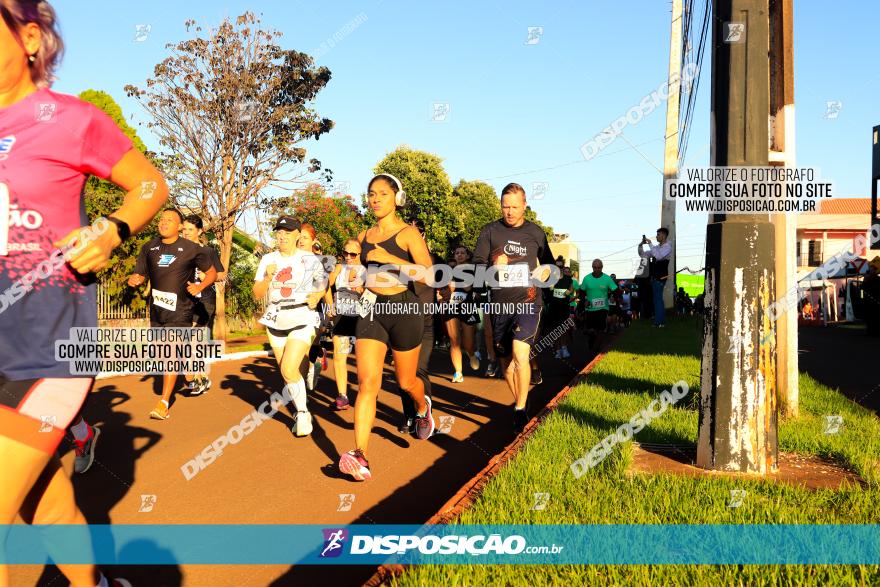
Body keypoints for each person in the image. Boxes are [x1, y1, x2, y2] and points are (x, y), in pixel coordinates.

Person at [0, 2, 167, 583]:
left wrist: (113, 228)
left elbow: (150, 183)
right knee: (42, 506)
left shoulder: (68, 119)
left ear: (27, 37)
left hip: (52, 339)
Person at [338, 174, 435, 481]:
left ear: (396, 198)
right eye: (371, 194)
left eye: (382, 193)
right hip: (372, 310)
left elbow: (430, 275)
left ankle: (423, 408)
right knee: (367, 383)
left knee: (406, 382)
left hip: (404, 309)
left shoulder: (407, 234)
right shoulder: (364, 235)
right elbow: (363, 272)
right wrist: (357, 280)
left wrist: (392, 260)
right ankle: (360, 454)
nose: (375, 199)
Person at [473, 183, 556, 433]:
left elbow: (551, 266)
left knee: (521, 353)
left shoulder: (536, 233)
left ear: (524, 206)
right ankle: (521, 397)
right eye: (505, 206)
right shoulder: (490, 231)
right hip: (500, 305)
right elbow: (477, 263)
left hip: (529, 302)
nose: (509, 211)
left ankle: (520, 409)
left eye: (514, 207)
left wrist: (543, 273)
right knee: (506, 362)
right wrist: (491, 269)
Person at [129, 209, 218, 420]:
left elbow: (213, 272)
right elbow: (140, 272)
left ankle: (164, 402)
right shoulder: (149, 247)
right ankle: (190, 373)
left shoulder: (192, 249)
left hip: (182, 309)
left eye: (170, 220)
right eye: (161, 219)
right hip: (158, 310)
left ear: (179, 226)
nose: (163, 222)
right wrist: (136, 279)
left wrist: (200, 286)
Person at [252, 216, 326, 437]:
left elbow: (322, 283)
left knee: (288, 368)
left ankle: (302, 415)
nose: (282, 236)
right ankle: (302, 406)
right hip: (276, 317)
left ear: (297, 235)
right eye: (279, 232)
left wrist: (318, 295)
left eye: (287, 232)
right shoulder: (268, 259)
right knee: (289, 373)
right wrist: (267, 277)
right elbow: (257, 293)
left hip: (302, 314)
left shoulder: (309, 258)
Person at [395, 218, 442, 435]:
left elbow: (445, 286)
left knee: (419, 369)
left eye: (418, 231)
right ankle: (409, 415)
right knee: (403, 374)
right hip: (401, 321)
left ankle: (425, 416)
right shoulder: (396, 260)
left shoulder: (435, 261)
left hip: (425, 323)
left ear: (423, 235)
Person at [181, 214, 226, 395]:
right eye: (184, 229)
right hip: (184, 301)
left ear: (199, 231)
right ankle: (202, 377)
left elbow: (222, 275)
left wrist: (207, 277)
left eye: (190, 230)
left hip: (204, 301)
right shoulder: (178, 251)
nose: (186, 233)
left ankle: (198, 380)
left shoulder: (207, 252)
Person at [324, 238, 364, 410]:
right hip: (341, 317)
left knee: (363, 360)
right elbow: (326, 284)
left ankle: (367, 393)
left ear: (360, 254)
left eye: (352, 254)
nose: (348, 257)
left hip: (361, 319)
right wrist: (329, 305)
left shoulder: (367, 271)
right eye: (345, 253)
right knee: (340, 356)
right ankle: (342, 396)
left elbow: (373, 295)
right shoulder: (339, 268)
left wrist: (360, 289)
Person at [443, 245, 480, 382]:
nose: (459, 255)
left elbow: (467, 287)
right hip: (451, 306)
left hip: (467, 306)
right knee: (454, 340)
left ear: (467, 256)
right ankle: (458, 372)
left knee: (468, 343)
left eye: (462, 253)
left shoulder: (473, 270)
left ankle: (471, 354)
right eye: (457, 253)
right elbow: (448, 290)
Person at [578, 259, 618, 355]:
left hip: (603, 308)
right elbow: (582, 291)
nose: (597, 269)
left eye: (599, 268)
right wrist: (585, 300)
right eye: (595, 268)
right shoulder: (587, 278)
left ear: (602, 267)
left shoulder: (607, 278)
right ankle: (592, 342)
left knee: (600, 328)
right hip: (590, 308)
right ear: (592, 267)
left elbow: (616, 290)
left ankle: (596, 349)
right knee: (591, 330)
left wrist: (613, 297)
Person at [638, 227, 672, 327]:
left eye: (658, 235)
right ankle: (660, 321)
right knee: (657, 299)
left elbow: (659, 256)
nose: (657, 236)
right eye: (657, 235)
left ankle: (659, 322)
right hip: (655, 276)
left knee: (658, 299)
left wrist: (650, 244)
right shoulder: (657, 247)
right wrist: (640, 245)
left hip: (661, 276)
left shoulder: (667, 246)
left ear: (664, 235)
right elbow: (643, 254)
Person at [549, 263, 575, 359]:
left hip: (564, 306)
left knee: (563, 328)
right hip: (554, 307)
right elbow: (549, 291)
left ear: (563, 268)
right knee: (556, 329)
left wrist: (565, 293)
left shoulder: (568, 279)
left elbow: (571, 289)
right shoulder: (552, 279)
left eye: (560, 267)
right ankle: (558, 350)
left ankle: (564, 348)